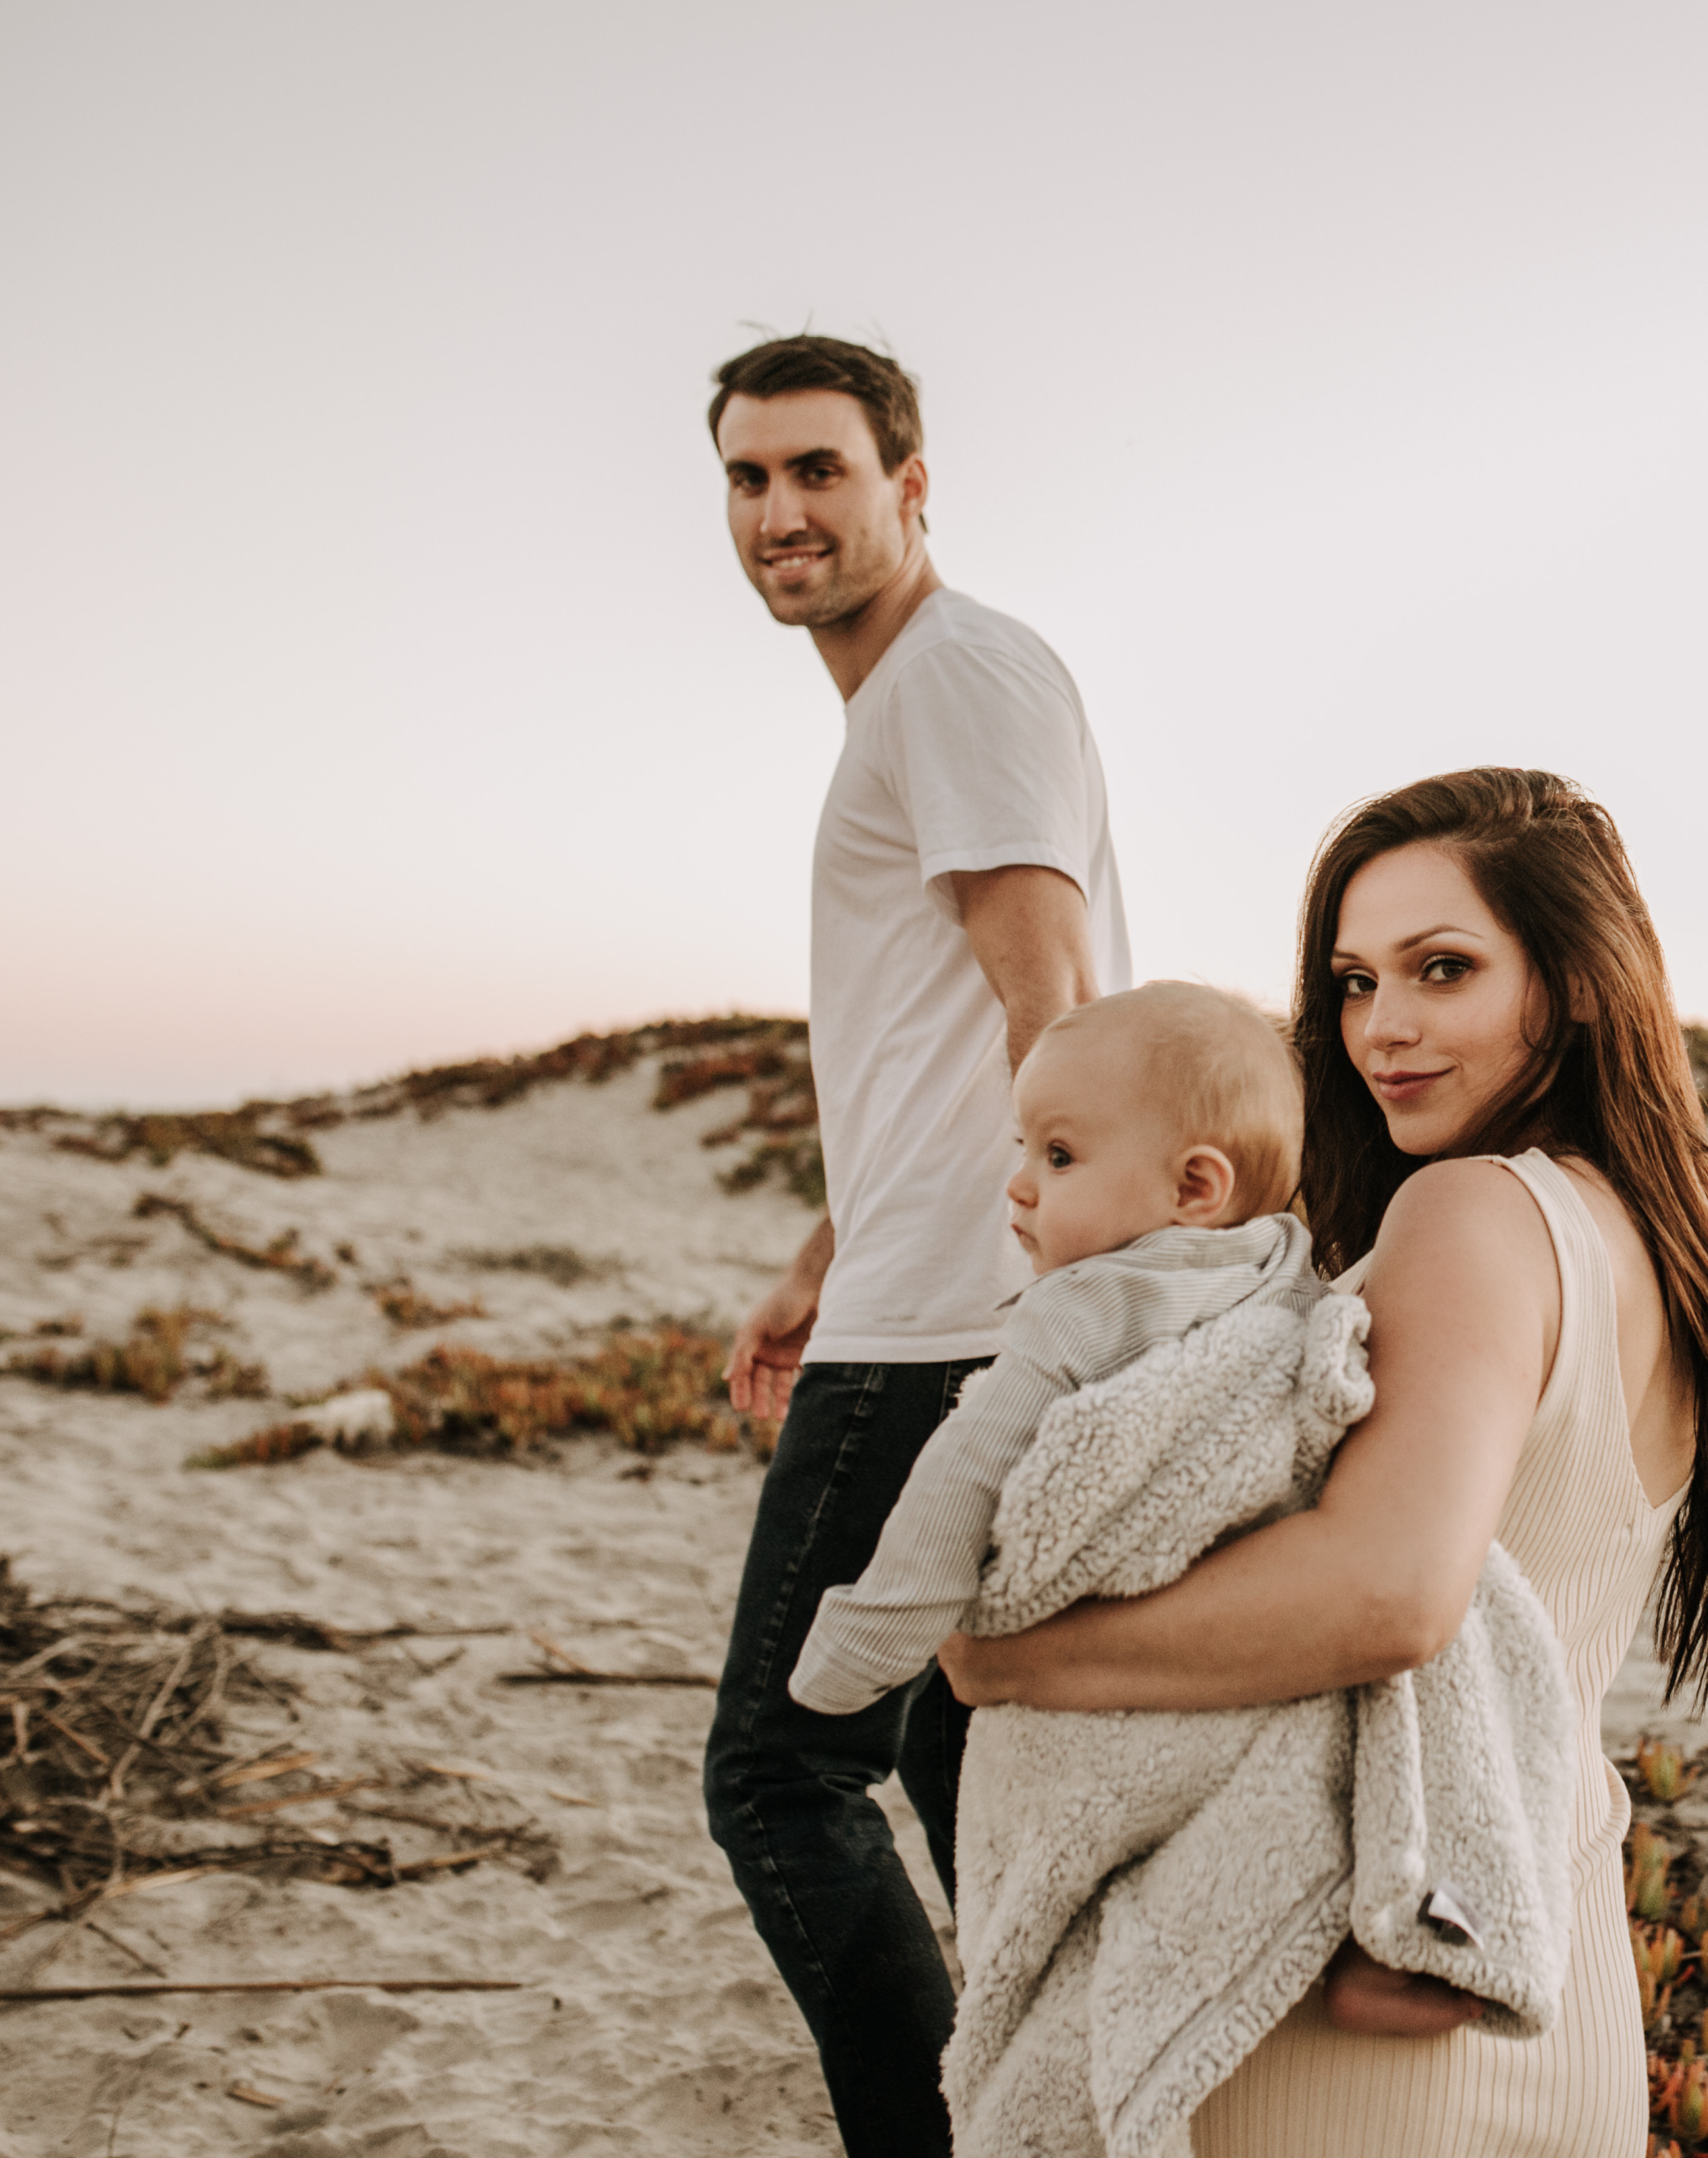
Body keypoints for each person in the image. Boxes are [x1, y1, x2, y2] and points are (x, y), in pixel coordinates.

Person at [940, 765, 1708, 2155]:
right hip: (1533, 1957)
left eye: (1442, 970)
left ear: (1569, 984)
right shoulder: (1643, 1238)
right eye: (1354, 982)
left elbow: (1391, 1589)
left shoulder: (1474, 1211)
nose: (1384, 1029)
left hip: (1359, 2016)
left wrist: (1002, 1659)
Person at [696, 332, 1130, 2158]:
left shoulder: (956, 674)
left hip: (954, 1324)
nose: (780, 511)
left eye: (817, 470)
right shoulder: (915, 701)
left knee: (783, 1774)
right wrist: (825, 1249)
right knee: (970, 1768)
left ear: (910, 485)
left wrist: (1047, 1298)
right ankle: (1051, 2115)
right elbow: (938, 1050)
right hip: (926, 1289)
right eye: (747, 478)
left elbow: (1052, 999)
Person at [785, 981, 1319, 1715]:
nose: (1020, 1185)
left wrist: (867, 1643)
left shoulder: (1083, 1307)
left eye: (1059, 1156)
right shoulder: (1295, 1276)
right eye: (1025, 1150)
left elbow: (966, 1472)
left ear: (1195, 1186)